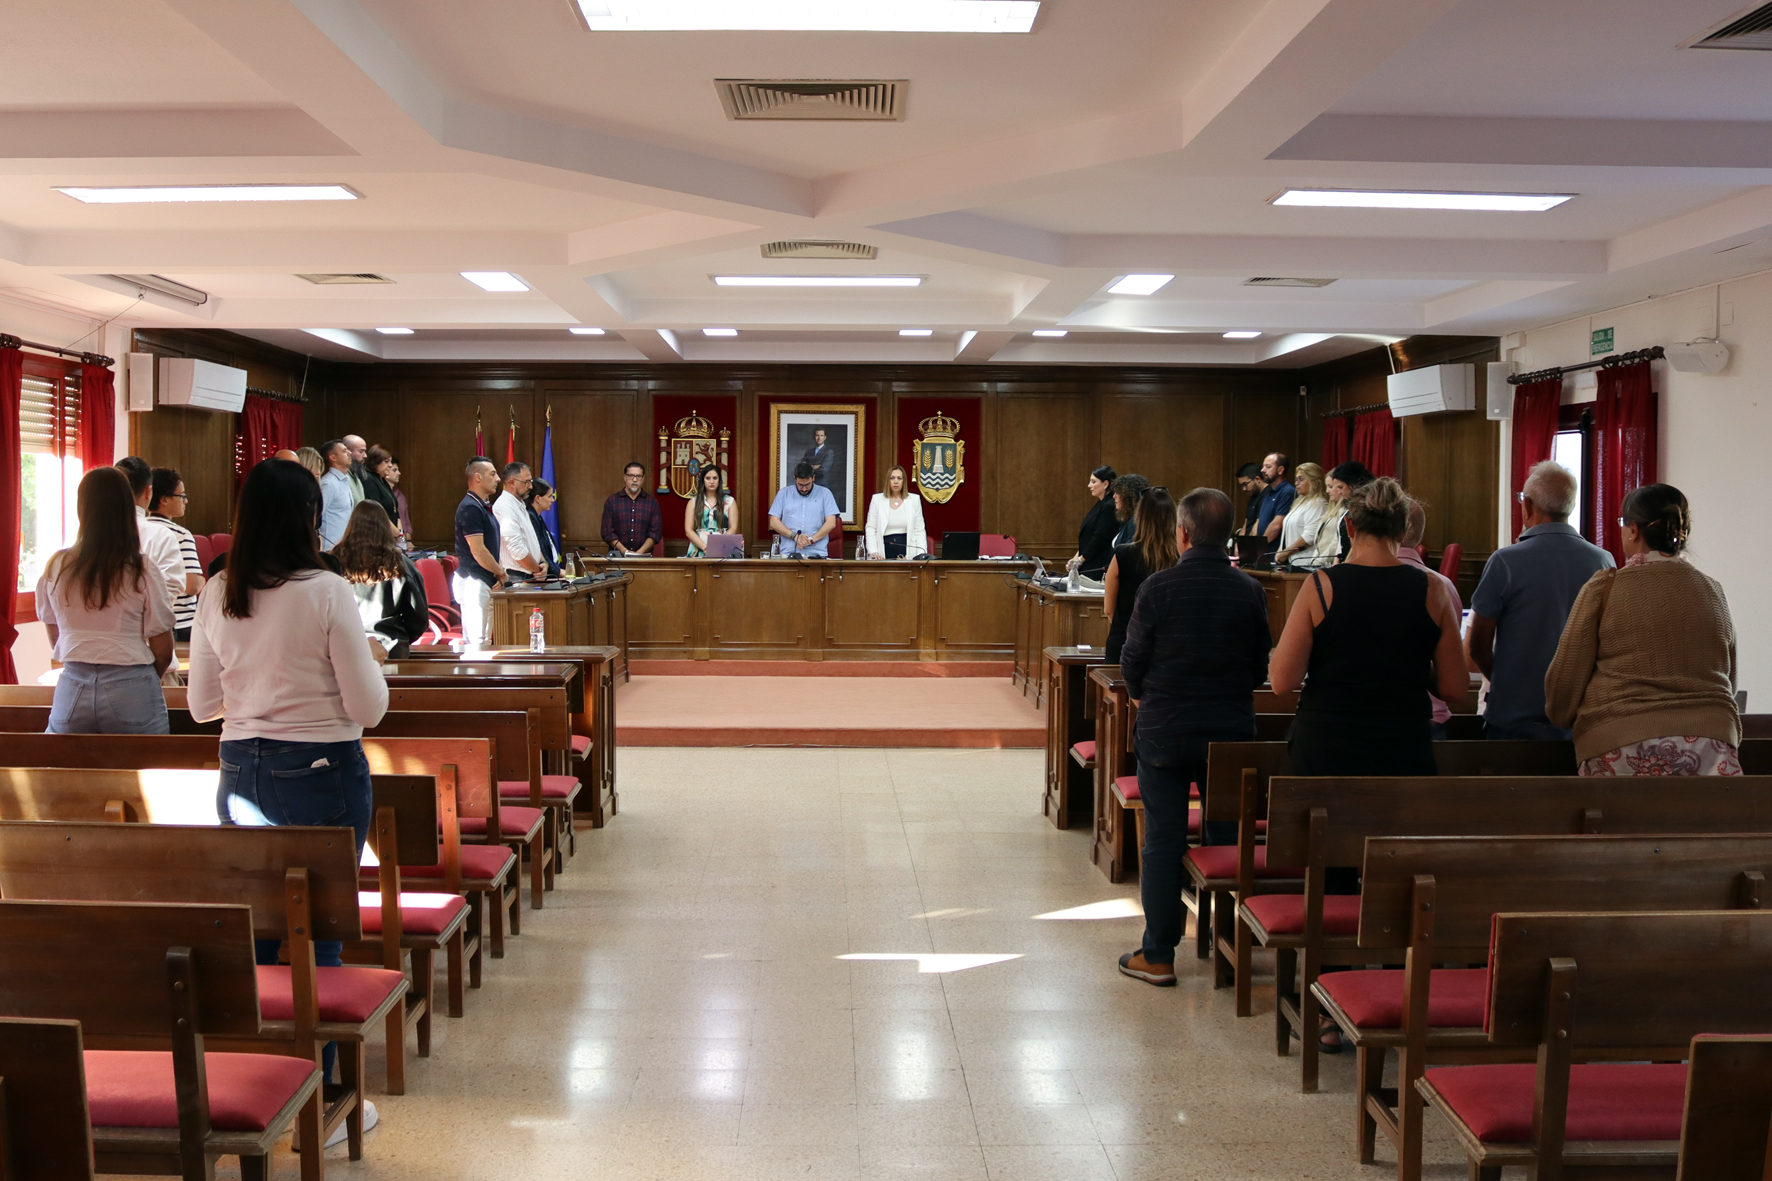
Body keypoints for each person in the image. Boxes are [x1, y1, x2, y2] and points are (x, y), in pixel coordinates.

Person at [187, 457, 388, 1139]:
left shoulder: (220, 589)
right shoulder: (325, 590)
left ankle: (256, 1089)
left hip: (239, 771)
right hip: (321, 770)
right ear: (309, 518)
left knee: (259, 933)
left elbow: (201, 705)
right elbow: (367, 707)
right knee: (318, 934)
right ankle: (317, 1107)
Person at [1115, 487, 1270, 986]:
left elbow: (1132, 661)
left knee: (1163, 840)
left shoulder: (1158, 588)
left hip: (1165, 728)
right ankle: (1228, 950)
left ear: (1182, 533)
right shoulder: (1249, 590)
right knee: (1226, 838)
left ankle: (1159, 954)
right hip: (1229, 733)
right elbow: (1259, 667)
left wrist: (1143, 695)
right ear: (1228, 536)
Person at [1270, 477, 1467, 780]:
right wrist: (1413, 665)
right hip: (1402, 746)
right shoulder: (1432, 588)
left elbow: (1282, 681)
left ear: (1349, 526)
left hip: (1326, 745)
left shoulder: (1321, 586)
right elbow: (1455, 688)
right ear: (1403, 530)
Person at [1545, 483, 1741, 776]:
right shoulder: (1713, 590)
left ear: (1634, 530)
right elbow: (1729, 682)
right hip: (1712, 749)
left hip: (1620, 744)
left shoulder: (1605, 588)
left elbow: (1565, 681)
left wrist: (1560, 715)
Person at [1467, 461, 1614, 741]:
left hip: (1512, 721)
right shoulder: (1603, 562)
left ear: (1528, 506)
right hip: (1579, 722)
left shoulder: (1505, 562)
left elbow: (1477, 645)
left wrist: (1505, 682)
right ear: (1570, 506)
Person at [36, 467, 176, 734]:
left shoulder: (57, 565)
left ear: (81, 508)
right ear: (127, 508)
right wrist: (141, 681)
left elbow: (55, 633)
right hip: (131, 686)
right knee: (149, 760)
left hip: (73, 685)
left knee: (63, 761)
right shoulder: (141, 568)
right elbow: (163, 649)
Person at [1395, 498, 1464, 739]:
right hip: (1430, 715)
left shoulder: (1357, 580)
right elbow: (1452, 668)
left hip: (1372, 717)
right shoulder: (1443, 586)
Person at [332, 501, 430, 658]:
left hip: (345, 649)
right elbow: (419, 618)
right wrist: (400, 638)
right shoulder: (402, 565)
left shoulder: (333, 562)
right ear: (385, 528)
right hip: (391, 649)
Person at [1103, 487, 1180, 663]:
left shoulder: (1122, 554)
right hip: (1168, 646)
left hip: (1125, 641)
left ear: (1140, 517)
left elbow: (1109, 609)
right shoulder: (1180, 557)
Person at [116, 456, 191, 603]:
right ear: (148, 492)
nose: (185, 501)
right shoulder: (163, 536)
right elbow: (168, 593)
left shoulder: (93, 535)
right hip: (147, 615)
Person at [148, 467, 205, 640]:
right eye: (181, 496)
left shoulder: (137, 529)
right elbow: (191, 586)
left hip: (148, 621)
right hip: (181, 624)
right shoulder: (180, 535)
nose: (185, 501)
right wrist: (202, 580)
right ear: (164, 500)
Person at [453, 457, 504, 645]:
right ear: (478, 478)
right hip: (473, 580)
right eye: (493, 474)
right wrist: (501, 573)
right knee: (477, 642)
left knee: (485, 642)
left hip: (485, 579)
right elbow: (479, 551)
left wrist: (496, 573)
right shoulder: (470, 507)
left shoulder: (482, 506)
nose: (498, 479)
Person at [767, 463, 840, 557]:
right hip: (788, 553)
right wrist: (795, 536)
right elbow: (774, 522)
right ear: (795, 478)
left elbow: (831, 523)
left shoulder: (825, 493)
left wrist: (810, 540)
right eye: (800, 485)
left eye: (807, 485)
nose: (804, 489)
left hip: (816, 554)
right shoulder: (783, 493)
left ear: (813, 478)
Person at [864, 464, 927, 559]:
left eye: (899, 478)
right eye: (892, 478)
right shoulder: (877, 499)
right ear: (888, 481)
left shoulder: (914, 499)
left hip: (907, 550)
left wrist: (922, 555)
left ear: (903, 481)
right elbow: (871, 528)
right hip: (883, 550)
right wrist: (874, 553)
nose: (896, 481)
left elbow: (919, 529)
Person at [1274, 462, 1330, 570]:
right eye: (1296, 479)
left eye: (1301, 479)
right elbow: (1287, 532)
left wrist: (1286, 552)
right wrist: (1281, 551)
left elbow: (1309, 536)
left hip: (1305, 563)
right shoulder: (1300, 502)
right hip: (1292, 562)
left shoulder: (1318, 503)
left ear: (1313, 481)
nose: (1296, 483)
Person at [493, 462, 543, 580]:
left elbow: (532, 541)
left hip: (529, 573)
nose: (530, 487)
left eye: (530, 482)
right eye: (526, 482)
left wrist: (543, 563)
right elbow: (516, 548)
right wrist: (537, 570)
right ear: (512, 482)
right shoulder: (505, 506)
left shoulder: (519, 504)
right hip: (516, 576)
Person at [601, 462, 662, 556]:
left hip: (644, 559)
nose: (635, 480)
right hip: (617, 559)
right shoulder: (612, 502)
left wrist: (638, 554)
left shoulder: (652, 503)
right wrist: (626, 552)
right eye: (631, 476)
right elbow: (607, 533)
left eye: (639, 476)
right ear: (625, 478)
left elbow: (655, 533)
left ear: (643, 479)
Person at [1073, 465, 1118, 579]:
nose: (1089, 485)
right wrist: (1076, 557)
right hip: (1089, 561)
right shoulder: (1101, 503)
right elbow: (1088, 537)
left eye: (1093, 482)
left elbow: (1100, 538)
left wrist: (1081, 559)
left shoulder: (1110, 505)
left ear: (1105, 484)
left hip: (1098, 564)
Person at [1325, 460, 1374, 564]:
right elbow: (1340, 545)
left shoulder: (1366, 509)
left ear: (1352, 486)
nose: (1339, 492)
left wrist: (1345, 566)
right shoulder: (1349, 508)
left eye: (1341, 487)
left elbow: (1357, 544)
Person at [684, 464, 738, 557]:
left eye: (715, 478)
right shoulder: (693, 502)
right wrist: (705, 548)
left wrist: (717, 547)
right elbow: (688, 530)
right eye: (708, 478)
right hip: (699, 548)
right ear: (703, 480)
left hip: (723, 548)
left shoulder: (730, 501)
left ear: (719, 480)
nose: (712, 482)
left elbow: (733, 528)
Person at [1255, 452, 1295, 557]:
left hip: (1273, 554)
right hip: (1262, 553)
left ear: (1280, 470)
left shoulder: (1287, 492)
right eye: (1263, 466)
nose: (1262, 470)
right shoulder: (1269, 492)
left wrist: (1259, 548)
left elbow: (1277, 525)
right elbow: (1259, 521)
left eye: (1268, 467)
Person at [317, 439, 354, 551]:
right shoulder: (329, 484)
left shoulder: (344, 481)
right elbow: (317, 515)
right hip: (329, 549)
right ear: (333, 458)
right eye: (344, 451)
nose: (349, 453)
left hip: (342, 548)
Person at [527, 478, 562, 577]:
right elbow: (540, 548)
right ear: (538, 498)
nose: (553, 500)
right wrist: (558, 572)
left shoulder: (537, 516)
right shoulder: (530, 516)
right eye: (549, 496)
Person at [361, 445, 401, 527]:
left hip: (392, 531)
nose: (390, 465)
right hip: (380, 529)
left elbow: (395, 512)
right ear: (376, 462)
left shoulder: (382, 480)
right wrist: (396, 532)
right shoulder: (369, 479)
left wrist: (400, 533)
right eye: (386, 462)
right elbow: (377, 512)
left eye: (390, 462)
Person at [1110, 474, 1151, 547]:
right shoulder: (1127, 519)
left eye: (1118, 493)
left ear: (1129, 497)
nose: (1114, 496)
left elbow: (1130, 551)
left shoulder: (1135, 522)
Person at [385, 455, 413, 547]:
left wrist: (408, 540)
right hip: (389, 541)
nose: (399, 473)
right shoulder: (382, 496)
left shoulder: (400, 495)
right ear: (386, 472)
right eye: (394, 470)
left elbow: (406, 520)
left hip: (402, 542)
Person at [801, 427, 840, 492]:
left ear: (825, 437)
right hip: (809, 486)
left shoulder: (828, 452)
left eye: (821, 435)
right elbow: (802, 468)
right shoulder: (808, 452)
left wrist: (808, 467)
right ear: (814, 437)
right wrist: (814, 466)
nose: (819, 438)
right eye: (817, 435)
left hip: (822, 486)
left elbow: (822, 471)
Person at [1234, 462, 1264, 536]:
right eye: (1242, 485)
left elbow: (1258, 526)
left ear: (1257, 479)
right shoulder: (1253, 497)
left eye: (1245, 484)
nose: (1244, 489)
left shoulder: (1268, 496)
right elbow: (1246, 524)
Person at [342, 434, 368, 504]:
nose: (365, 456)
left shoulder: (356, 475)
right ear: (348, 452)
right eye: (361, 451)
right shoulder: (341, 477)